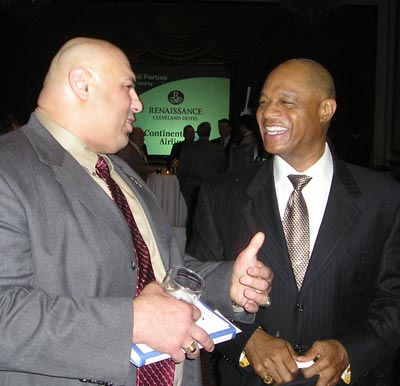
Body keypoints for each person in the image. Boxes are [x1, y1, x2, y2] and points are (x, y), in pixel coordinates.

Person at [0, 37, 274, 386]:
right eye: (129, 87)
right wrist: (133, 323)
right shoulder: (8, 168)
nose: (138, 104)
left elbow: (159, 268)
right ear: (82, 83)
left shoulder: (120, 171)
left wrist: (228, 283)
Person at [188, 58, 400, 386]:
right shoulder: (220, 196)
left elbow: (393, 299)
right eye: (263, 102)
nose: (268, 112)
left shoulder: (382, 198)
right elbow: (195, 291)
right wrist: (247, 342)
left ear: (326, 109)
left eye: (286, 102)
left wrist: (350, 353)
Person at [177, 121, 226, 243]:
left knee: (192, 217)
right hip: (212, 189)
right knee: (209, 218)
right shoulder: (218, 149)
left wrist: (185, 185)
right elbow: (224, 171)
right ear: (210, 133)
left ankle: (190, 243)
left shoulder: (188, 148)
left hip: (191, 188)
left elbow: (181, 170)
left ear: (197, 133)